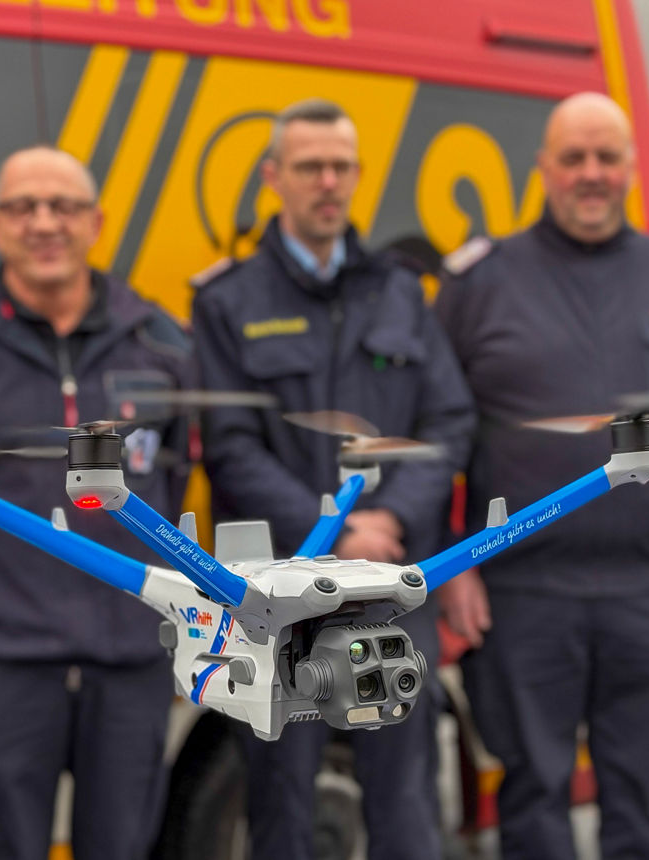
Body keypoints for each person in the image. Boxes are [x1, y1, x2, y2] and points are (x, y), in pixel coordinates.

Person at [434, 92, 649, 860]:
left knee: (644, 805)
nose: (591, 174)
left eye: (607, 157)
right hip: (523, 592)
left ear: (631, 168)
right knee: (532, 801)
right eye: (574, 158)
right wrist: (451, 563)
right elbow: (436, 430)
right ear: (544, 168)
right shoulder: (480, 283)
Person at [0, 146, 193, 860]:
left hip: (131, 657)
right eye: (24, 208)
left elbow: (172, 483)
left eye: (65, 207)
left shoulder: (163, 342)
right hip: (2, 659)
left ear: (97, 222)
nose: (45, 223)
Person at [190, 98, 475, 860]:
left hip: (387, 591)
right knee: (282, 806)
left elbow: (447, 424)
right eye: (310, 166)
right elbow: (232, 448)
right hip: (279, 596)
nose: (328, 182)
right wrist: (341, 529)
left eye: (341, 167)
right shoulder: (227, 302)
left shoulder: (399, 293)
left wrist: (392, 526)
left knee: (405, 802)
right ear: (272, 177)